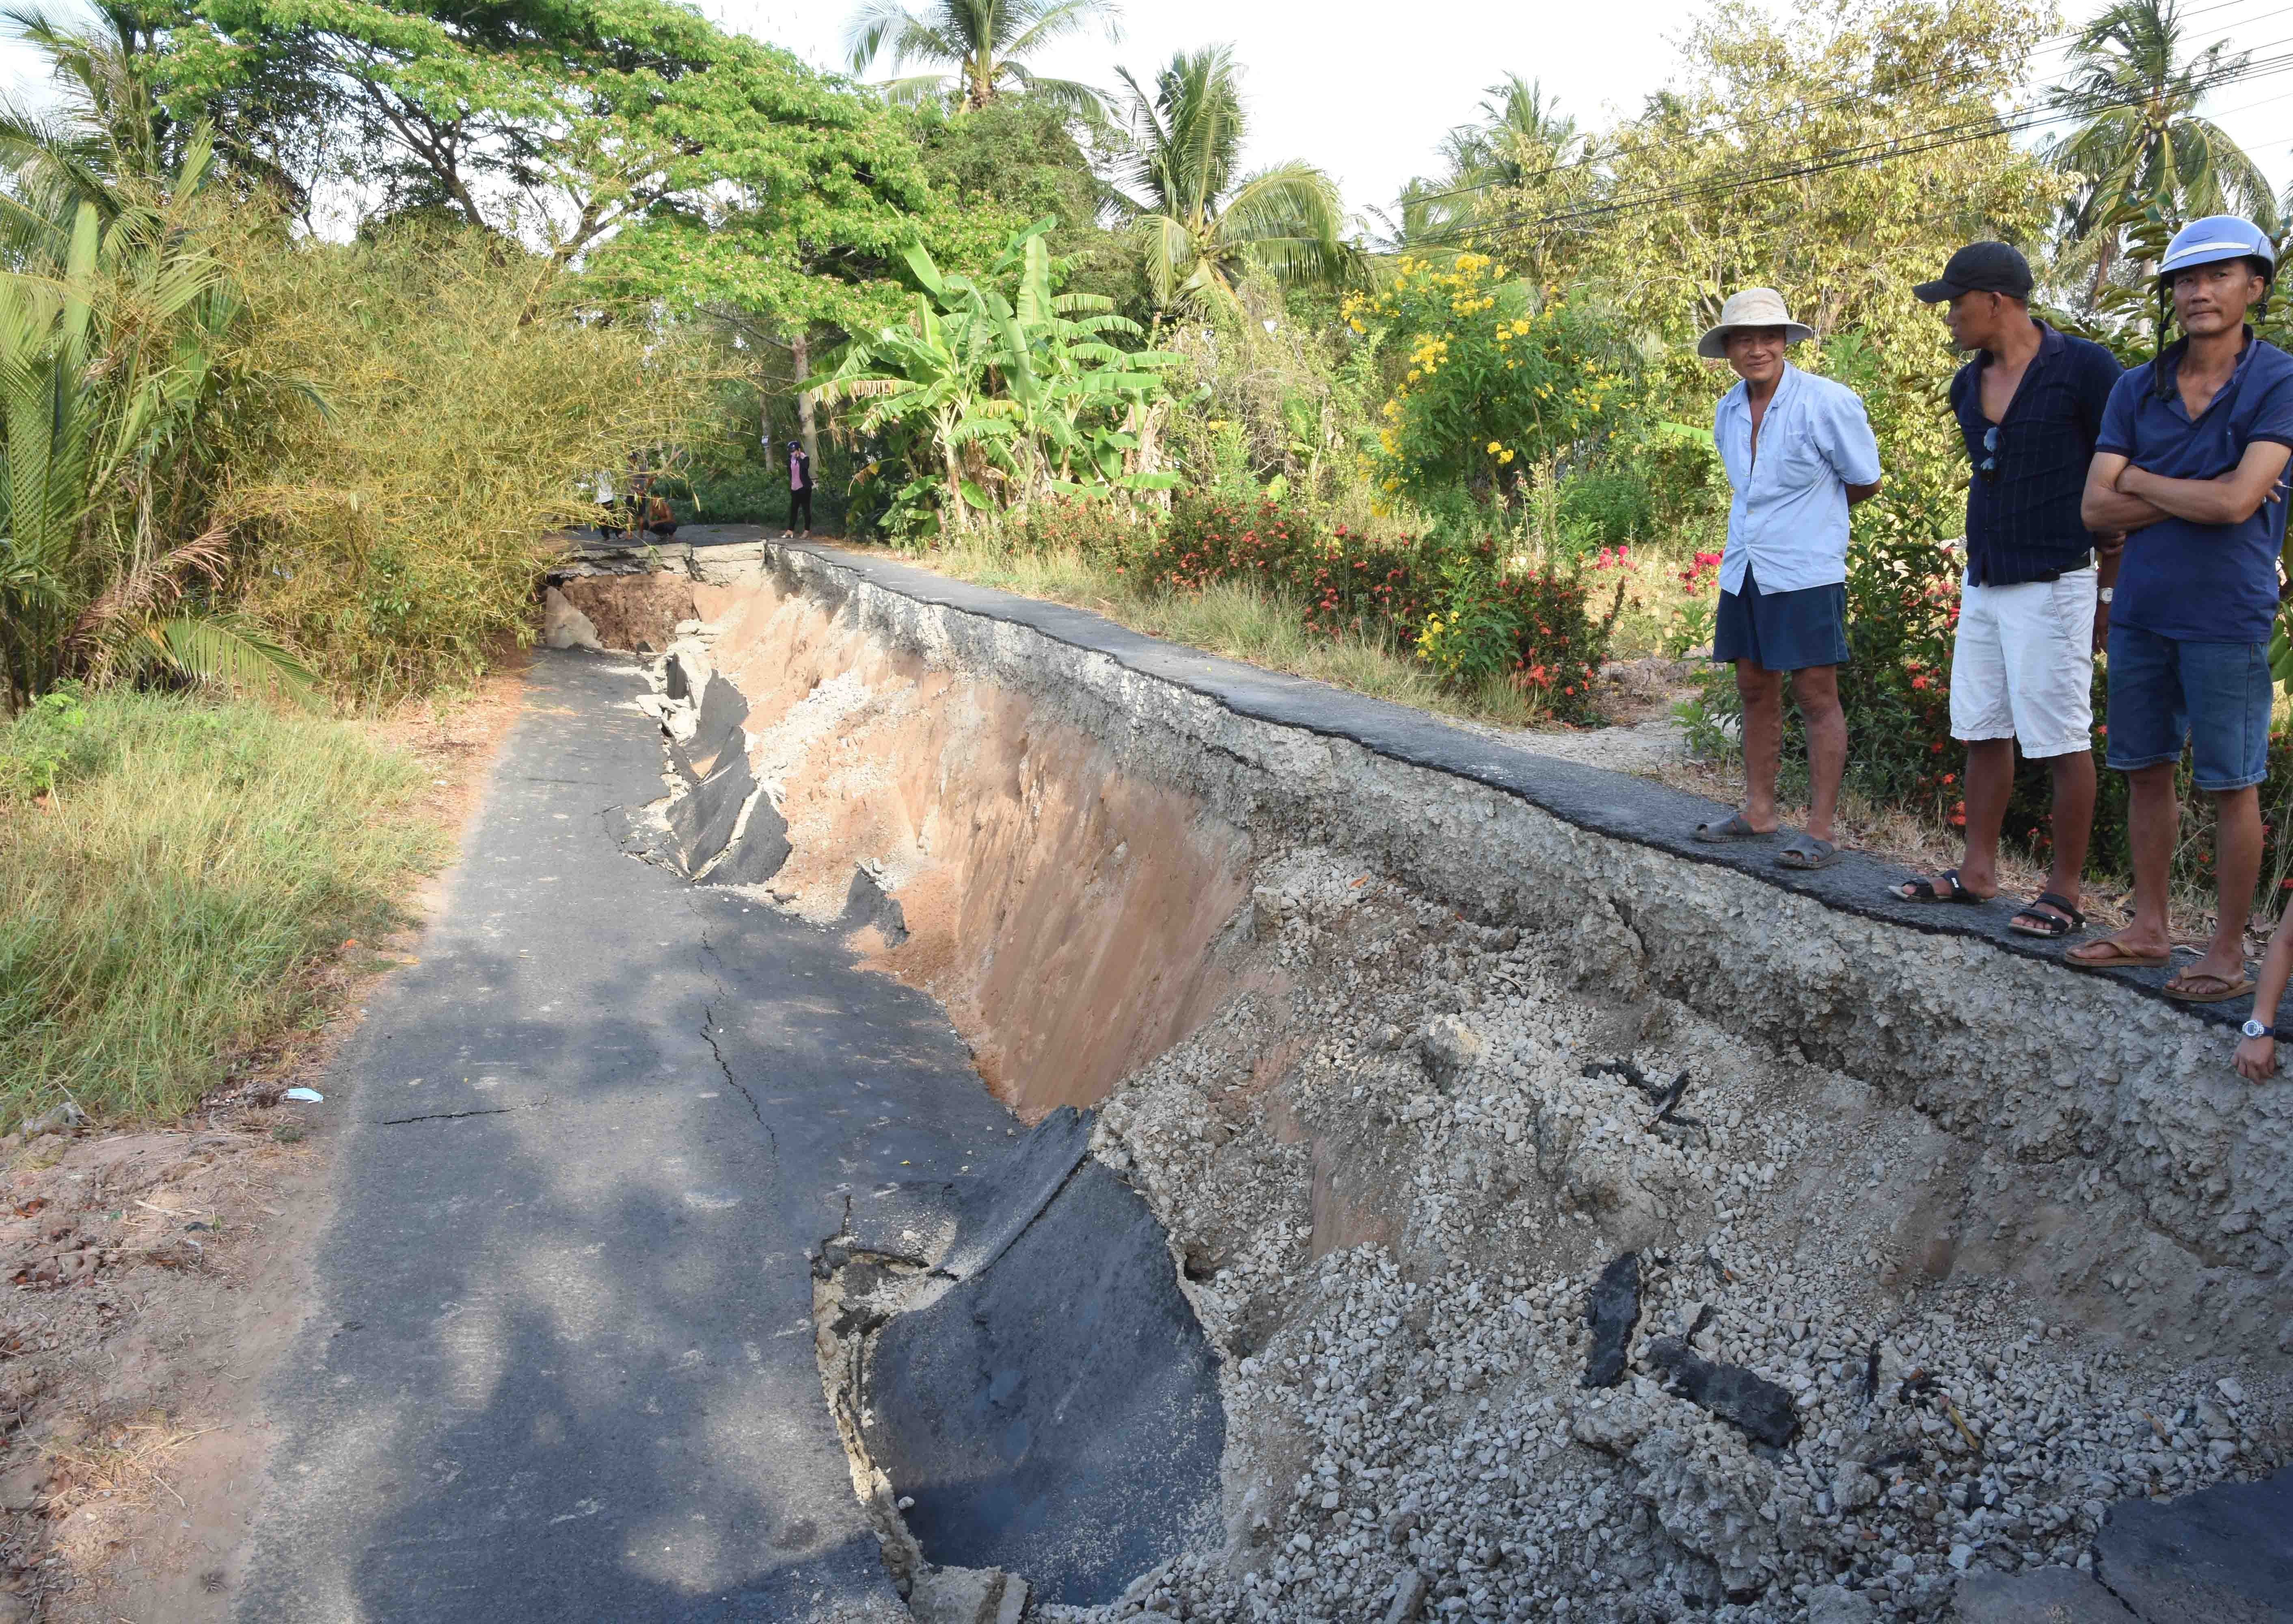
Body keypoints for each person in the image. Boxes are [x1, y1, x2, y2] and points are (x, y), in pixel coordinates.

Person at [2069, 216, 2293, 1002]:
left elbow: (2237, 504)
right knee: (2143, 771)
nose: (2198, 291)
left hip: (2226, 613)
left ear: (2253, 287)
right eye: (2184, 280)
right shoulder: (2138, 385)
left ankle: (2227, 953)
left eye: (2219, 276)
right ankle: (2149, 929)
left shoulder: (2278, 379)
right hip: (2141, 607)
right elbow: (2095, 510)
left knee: (2232, 784)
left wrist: (2143, 482)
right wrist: (2199, 492)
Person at [1889, 242, 2127, 937]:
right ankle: (1978, 870)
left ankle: (2064, 892)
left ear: (1995, 300)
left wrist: (2107, 595)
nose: (1948, 319)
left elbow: (2117, 479)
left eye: (1954, 304)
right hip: (1986, 579)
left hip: (2055, 581)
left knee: (2058, 739)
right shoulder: (1968, 384)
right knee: (1981, 729)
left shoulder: (2083, 369)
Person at [1689, 287, 1884, 870]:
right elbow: (1745, 491)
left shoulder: (1826, 402)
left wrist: (1812, 522)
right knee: (1753, 685)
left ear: (1785, 342)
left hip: (1804, 570)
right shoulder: (1727, 409)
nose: (1757, 350)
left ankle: (1820, 830)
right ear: (1728, 349)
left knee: (1816, 692)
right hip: (1746, 566)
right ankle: (1760, 811)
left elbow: (1865, 480)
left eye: (1767, 337)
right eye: (1744, 340)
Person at [784, 438, 813, 538]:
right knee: (794, 510)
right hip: (795, 488)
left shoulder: (805, 458)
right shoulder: (790, 460)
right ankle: (790, 530)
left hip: (804, 488)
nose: (792, 453)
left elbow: (805, 468)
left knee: (806, 510)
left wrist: (799, 458)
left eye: (794, 451)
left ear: (798, 450)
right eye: (791, 452)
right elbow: (790, 472)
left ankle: (807, 530)